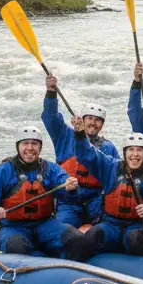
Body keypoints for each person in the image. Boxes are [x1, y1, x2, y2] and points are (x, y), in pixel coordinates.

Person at [0, 126, 85, 258]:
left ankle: (60, 265)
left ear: (40, 147)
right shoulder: (3, 171)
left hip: (46, 225)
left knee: (77, 240)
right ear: (18, 146)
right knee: (17, 246)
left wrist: (70, 187)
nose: (30, 148)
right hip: (12, 227)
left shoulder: (50, 169)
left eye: (34, 144)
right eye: (25, 143)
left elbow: (68, 190)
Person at [72, 129, 143, 258]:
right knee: (92, 235)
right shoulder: (111, 167)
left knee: (134, 240)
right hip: (110, 224)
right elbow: (88, 155)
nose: (135, 154)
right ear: (125, 152)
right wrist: (80, 134)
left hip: (137, 226)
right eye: (131, 150)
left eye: (139, 150)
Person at [41, 76, 119, 227]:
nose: (93, 123)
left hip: (95, 201)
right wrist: (51, 92)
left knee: (106, 228)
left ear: (102, 125)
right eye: (89, 118)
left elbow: (114, 178)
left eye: (97, 120)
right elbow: (50, 118)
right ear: (82, 120)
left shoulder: (108, 148)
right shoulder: (64, 136)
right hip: (68, 201)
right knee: (63, 230)